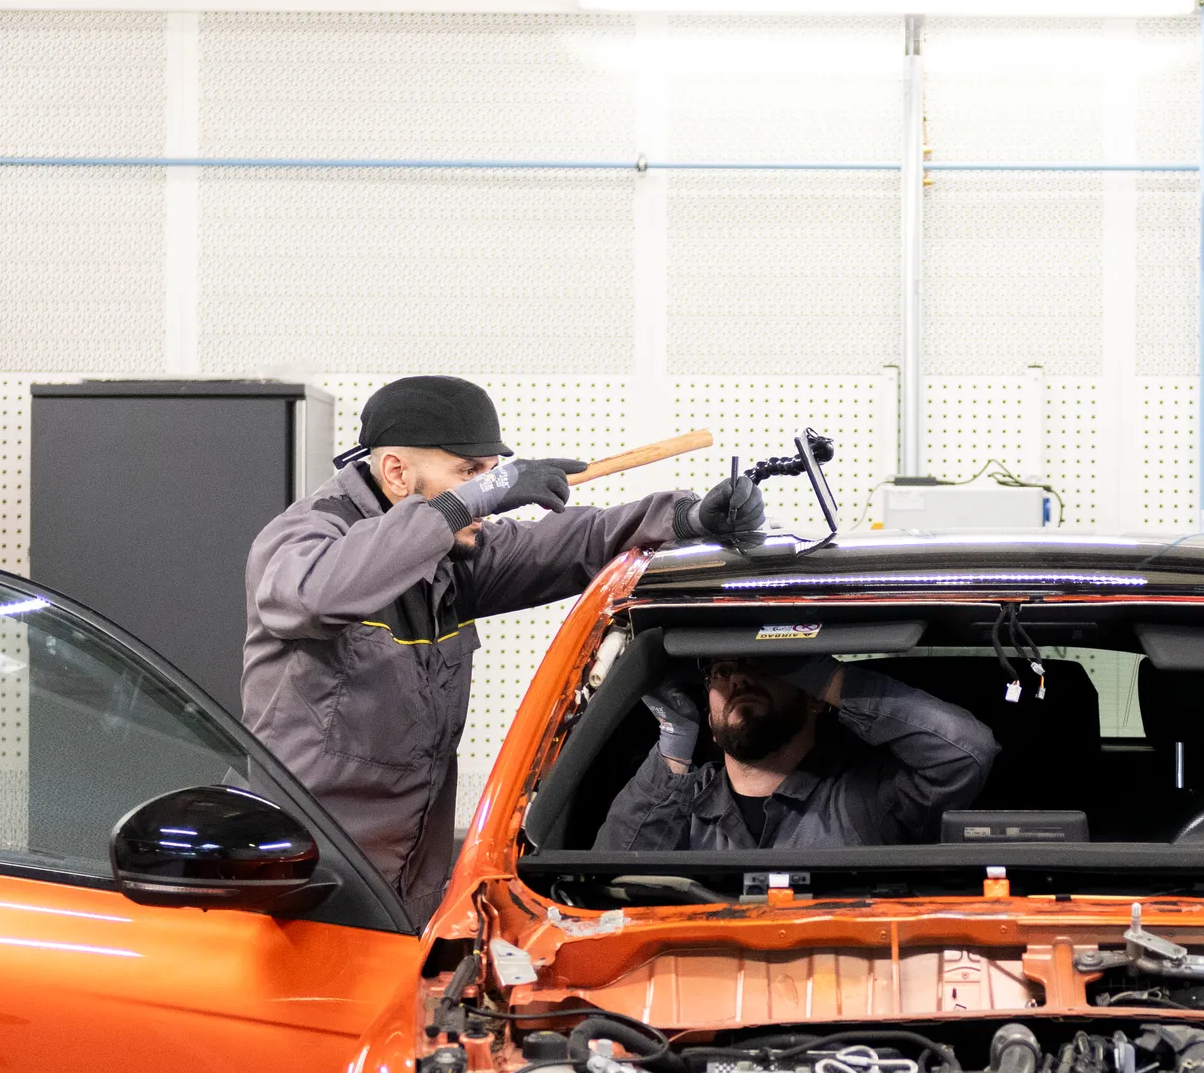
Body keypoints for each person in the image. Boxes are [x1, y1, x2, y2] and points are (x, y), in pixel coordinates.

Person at [244, 376, 765, 918]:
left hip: (409, 886)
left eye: (490, 475)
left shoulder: (450, 557)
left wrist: (686, 518)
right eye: (469, 474)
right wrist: (462, 505)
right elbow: (311, 596)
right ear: (396, 471)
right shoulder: (308, 535)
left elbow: (572, 543)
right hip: (305, 883)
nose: (486, 498)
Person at [596, 654, 998, 851]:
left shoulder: (868, 795)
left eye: (763, 665)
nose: (739, 676)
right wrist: (675, 736)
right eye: (721, 671)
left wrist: (831, 679)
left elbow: (966, 753)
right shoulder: (677, 800)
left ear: (815, 699)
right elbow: (608, 873)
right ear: (709, 719)